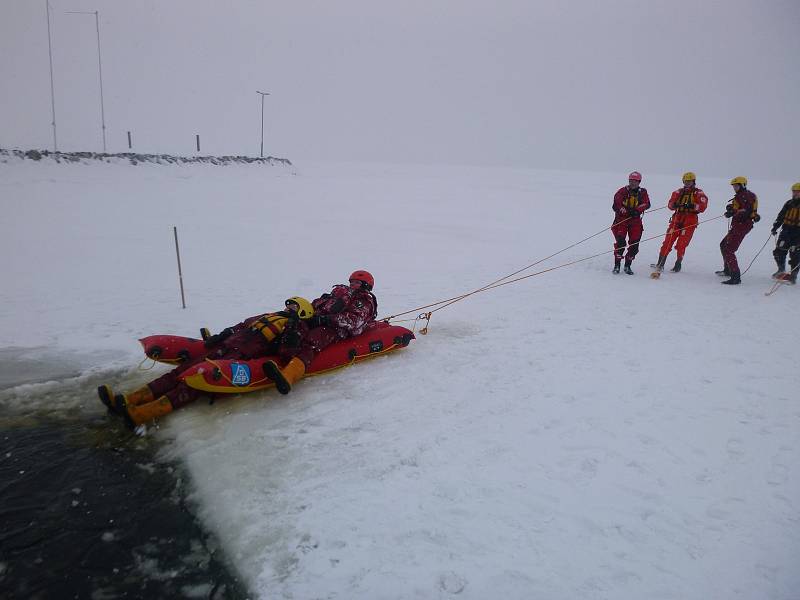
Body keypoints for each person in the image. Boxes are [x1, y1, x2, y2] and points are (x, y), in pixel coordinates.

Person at [98, 297, 315, 428]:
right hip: (226, 346)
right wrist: (219, 336)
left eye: (293, 308)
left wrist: (294, 328)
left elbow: (287, 351)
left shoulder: (295, 329)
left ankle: (143, 413)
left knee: (191, 383)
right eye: (288, 306)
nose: (288, 309)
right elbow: (240, 326)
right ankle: (130, 399)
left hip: (239, 356)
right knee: (178, 373)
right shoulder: (270, 315)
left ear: (302, 312)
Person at [263, 270, 378, 394]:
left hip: (336, 329)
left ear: (366, 285)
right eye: (351, 282)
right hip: (316, 319)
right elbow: (316, 305)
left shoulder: (363, 301)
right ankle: (276, 356)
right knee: (292, 329)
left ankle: (289, 375)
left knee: (312, 340)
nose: (352, 285)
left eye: (357, 283)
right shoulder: (339, 294)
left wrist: (325, 320)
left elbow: (353, 321)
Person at [652, 172, 709, 273]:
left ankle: (678, 264)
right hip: (676, 220)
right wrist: (674, 204)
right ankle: (660, 263)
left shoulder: (699, 193)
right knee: (667, 242)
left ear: (693, 182)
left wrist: (692, 206)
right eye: (685, 181)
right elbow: (670, 205)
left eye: (689, 181)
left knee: (681, 244)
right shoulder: (678, 192)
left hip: (690, 222)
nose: (687, 183)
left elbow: (703, 207)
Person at [717, 176, 760, 285]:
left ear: (743, 185)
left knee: (729, 249)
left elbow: (747, 211)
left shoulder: (748, 196)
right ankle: (727, 269)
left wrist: (734, 212)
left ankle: (735, 276)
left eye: (736, 185)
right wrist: (731, 208)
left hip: (743, 225)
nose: (735, 188)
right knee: (723, 244)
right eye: (734, 186)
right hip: (737, 225)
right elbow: (738, 208)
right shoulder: (740, 196)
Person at [611, 171, 651, 274]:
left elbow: (646, 203)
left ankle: (627, 265)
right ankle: (617, 265)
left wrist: (637, 210)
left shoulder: (643, 192)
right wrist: (623, 210)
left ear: (639, 182)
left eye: (635, 181)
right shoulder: (622, 191)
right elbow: (616, 204)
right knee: (620, 243)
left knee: (634, 245)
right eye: (631, 181)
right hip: (622, 221)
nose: (633, 183)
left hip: (636, 222)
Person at [770, 182, 800, 284]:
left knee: (795, 254)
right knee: (779, 251)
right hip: (786, 231)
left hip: (798, 234)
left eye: (797, 192)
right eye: (794, 191)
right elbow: (781, 216)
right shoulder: (788, 203)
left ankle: (793, 276)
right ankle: (781, 270)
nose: (795, 193)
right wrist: (775, 227)